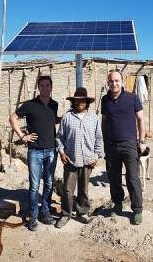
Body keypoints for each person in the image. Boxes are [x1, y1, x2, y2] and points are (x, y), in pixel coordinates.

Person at [9, 75, 58, 231]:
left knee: (49, 183)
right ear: (38, 87)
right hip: (35, 151)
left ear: (51, 87)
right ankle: (33, 216)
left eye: (47, 85)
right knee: (34, 186)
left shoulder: (54, 105)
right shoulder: (30, 105)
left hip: (51, 150)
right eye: (42, 85)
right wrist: (22, 136)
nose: (45, 87)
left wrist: (65, 118)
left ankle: (45, 212)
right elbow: (13, 118)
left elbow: (51, 120)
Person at [101, 70, 146, 225]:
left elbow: (140, 119)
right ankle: (118, 204)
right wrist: (105, 142)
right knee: (114, 178)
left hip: (129, 145)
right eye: (111, 81)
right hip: (111, 145)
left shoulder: (132, 98)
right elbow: (104, 122)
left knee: (133, 178)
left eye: (117, 80)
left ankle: (137, 210)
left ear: (122, 82)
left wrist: (142, 141)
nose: (114, 83)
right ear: (108, 83)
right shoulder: (105, 100)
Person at [54, 87, 103, 228]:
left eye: (83, 100)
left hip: (88, 160)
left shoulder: (93, 118)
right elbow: (60, 137)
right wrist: (62, 152)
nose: (80, 102)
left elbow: (99, 138)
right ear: (73, 102)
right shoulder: (67, 117)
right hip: (71, 159)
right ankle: (66, 214)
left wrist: (97, 156)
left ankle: (82, 213)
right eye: (77, 100)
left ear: (87, 102)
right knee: (68, 190)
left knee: (84, 189)